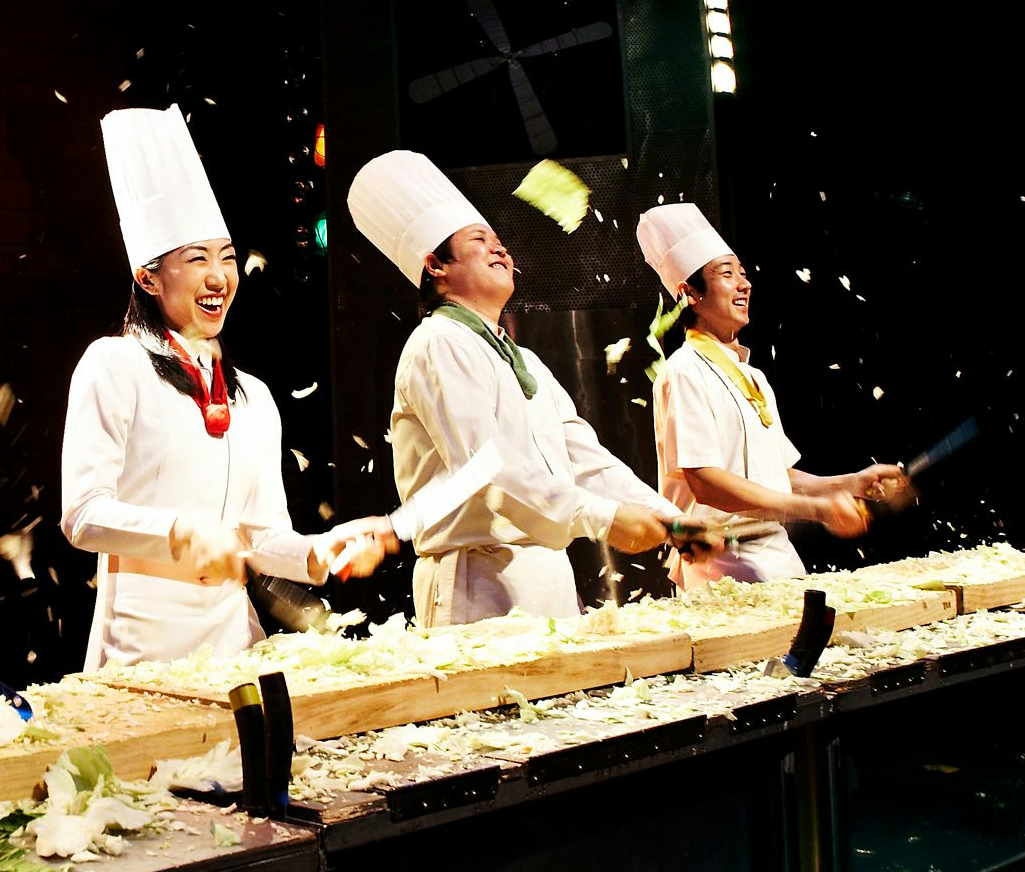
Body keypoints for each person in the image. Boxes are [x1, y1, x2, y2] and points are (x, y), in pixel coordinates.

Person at [63, 105, 396, 669]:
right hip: (138, 657)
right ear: (148, 277)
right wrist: (180, 531)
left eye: (227, 258)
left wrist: (321, 551)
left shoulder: (255, 398)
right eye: (197, 260)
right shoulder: (112, 364)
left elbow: (262, 536)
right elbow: (83, 515)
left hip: (235, 655)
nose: (219, 277)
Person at [347, 150, 689, 626]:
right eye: (479, 240)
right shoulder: (439, 343)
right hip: (478, 582)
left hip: (548, 576)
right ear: (435, 265)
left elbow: (583, 456)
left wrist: (668, 517)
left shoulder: (522, 359)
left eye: (500, 241)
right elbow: (487, 467)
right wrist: (603, 518)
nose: (500, 249)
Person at [638, 203, 905, 591]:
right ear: (690, 292)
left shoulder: (754, 376)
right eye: (726, 274)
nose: (744, 284)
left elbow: (779, 478)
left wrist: (849, 483)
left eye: (743, 274)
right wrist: (817, 510)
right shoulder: (683, 371)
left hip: (776, 553)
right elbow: (708, 483)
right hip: (721, 564)